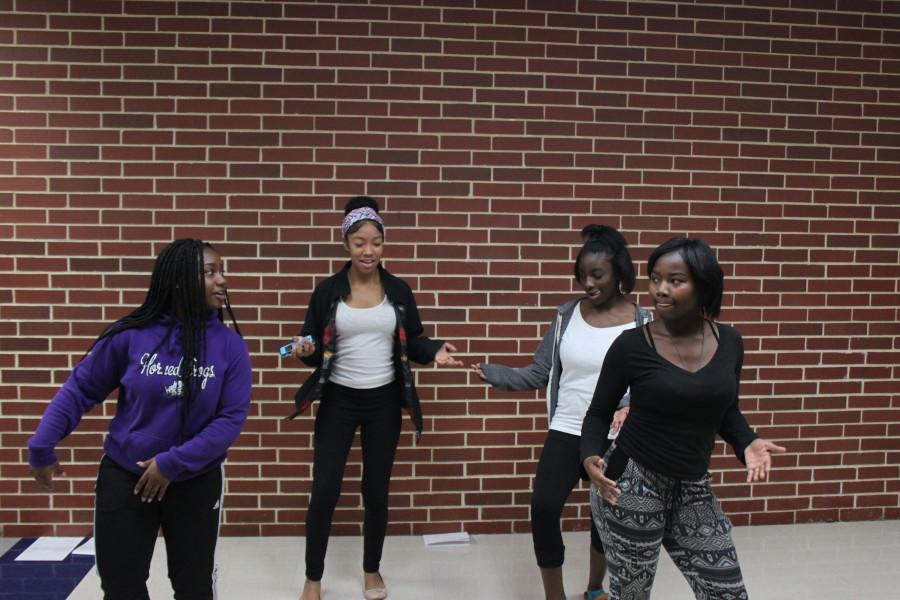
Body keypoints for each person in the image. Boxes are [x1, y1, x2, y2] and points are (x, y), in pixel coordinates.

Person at [27, 239, 252, 600]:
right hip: (125, 474)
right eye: (210, 273)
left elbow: (230, 420)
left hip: (195, 478)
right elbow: (80, 389)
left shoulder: (230, 346)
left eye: (222, 271)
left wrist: (171, 463)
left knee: (194, 587)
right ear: (179, 281)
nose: (222, 280)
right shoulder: (132, 335)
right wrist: (42, 444)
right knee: (121, 585)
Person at [581, 237, 787, 600]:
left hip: (692, 487)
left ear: (703, 284)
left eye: (675, 280)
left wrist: (747, 441)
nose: (660, 290)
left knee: (727, 593)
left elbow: (725, 409)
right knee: (633, 594)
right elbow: (598, 412)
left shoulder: (730, 342)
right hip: (630, 483)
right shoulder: (632, 345)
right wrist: (589, 458)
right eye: (655, 278)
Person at [289, 196, 463, 600]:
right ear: (345, 244)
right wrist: (304, 351)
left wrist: (434, 351)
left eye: (376, 242)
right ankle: (313, 577)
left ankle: (372, 571)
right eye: (359, 242)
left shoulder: (398, 291)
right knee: (326, 488)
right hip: (338, 401)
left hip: (384, 401)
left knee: (376, 490)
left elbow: (413, 341)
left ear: (383, 244)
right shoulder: (327, 291)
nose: (368, 250)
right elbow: (312, 346)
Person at [472, 225, 651, 600]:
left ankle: (594, 588)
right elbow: (540, 371)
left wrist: (632, 405)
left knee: (605, 516)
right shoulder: (567, 316)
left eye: (597, 275)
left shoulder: (643, 321)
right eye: (582, 275)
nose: (588, 283)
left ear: (619, 272)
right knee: (543, 507)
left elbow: (654, 381)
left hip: (616, 436)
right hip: (568, 428)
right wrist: (496, 374)